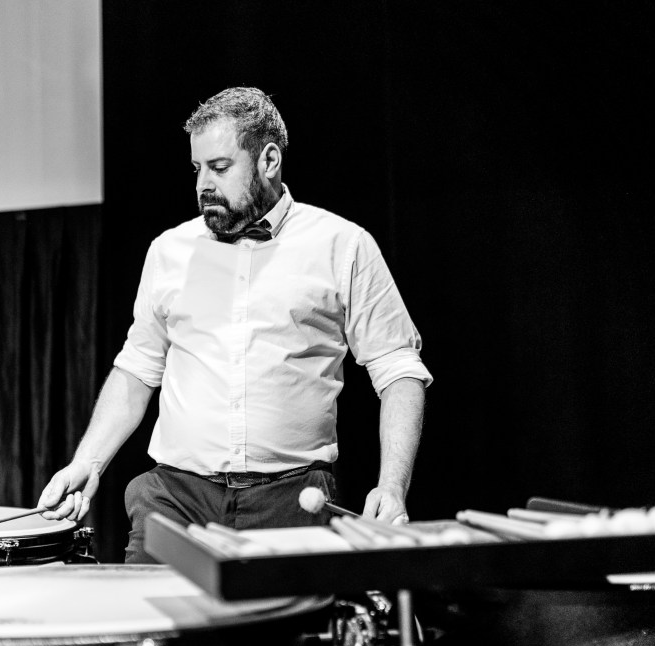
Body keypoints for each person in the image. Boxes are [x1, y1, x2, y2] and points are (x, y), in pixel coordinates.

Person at [38, 87, 432, 563]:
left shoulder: (342, 245)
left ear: (269, 161)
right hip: (176, 498)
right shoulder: (169, 251)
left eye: (220, 167)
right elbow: (138, 369)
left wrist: (391, 487)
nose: (204, 184)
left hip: (293, 501)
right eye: (197, 168)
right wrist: (88, 461)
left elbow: (398, 370)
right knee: (149, 613)